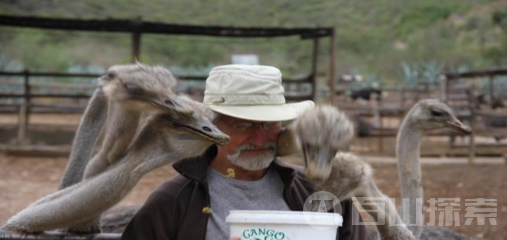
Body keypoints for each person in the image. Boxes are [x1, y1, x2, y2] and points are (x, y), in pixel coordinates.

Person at [121, 65, 369, 240]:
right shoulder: (173, 202)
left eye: (269, 124)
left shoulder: (324, 194)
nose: (260, 138)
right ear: (211, 126)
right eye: (242, 125)